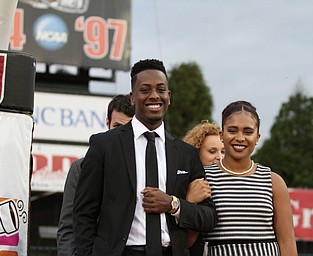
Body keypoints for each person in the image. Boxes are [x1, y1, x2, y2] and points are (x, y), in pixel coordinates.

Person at [73, 59, 218, 256]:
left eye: (161, 89)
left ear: (169, 96)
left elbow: (208, 217)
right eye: (145, 89)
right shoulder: (104, 146)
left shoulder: (186, 153)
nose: (154, 96)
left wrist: (172, 204)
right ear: (133, 98)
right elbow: (84, 214)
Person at [203, 100, 297, 256]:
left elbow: (287, 242)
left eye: (248, 132)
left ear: (258, 137)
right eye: (232, 130)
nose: (240, 138)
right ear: (222, 135)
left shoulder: (273, 181)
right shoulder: (204, 178)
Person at [57, 94, 135, 256]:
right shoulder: (81, 167)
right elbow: (69, 227)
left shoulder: (149, 168)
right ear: (107, 123)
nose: (122, 135)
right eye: (117, 126)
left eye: (128, 130)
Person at [182, 121, 225, 255]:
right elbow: (184, 241)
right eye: (212, 151)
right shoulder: (181, 183)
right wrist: (189, 202)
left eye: (223, 151)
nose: (219, 156)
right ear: (195, 152)